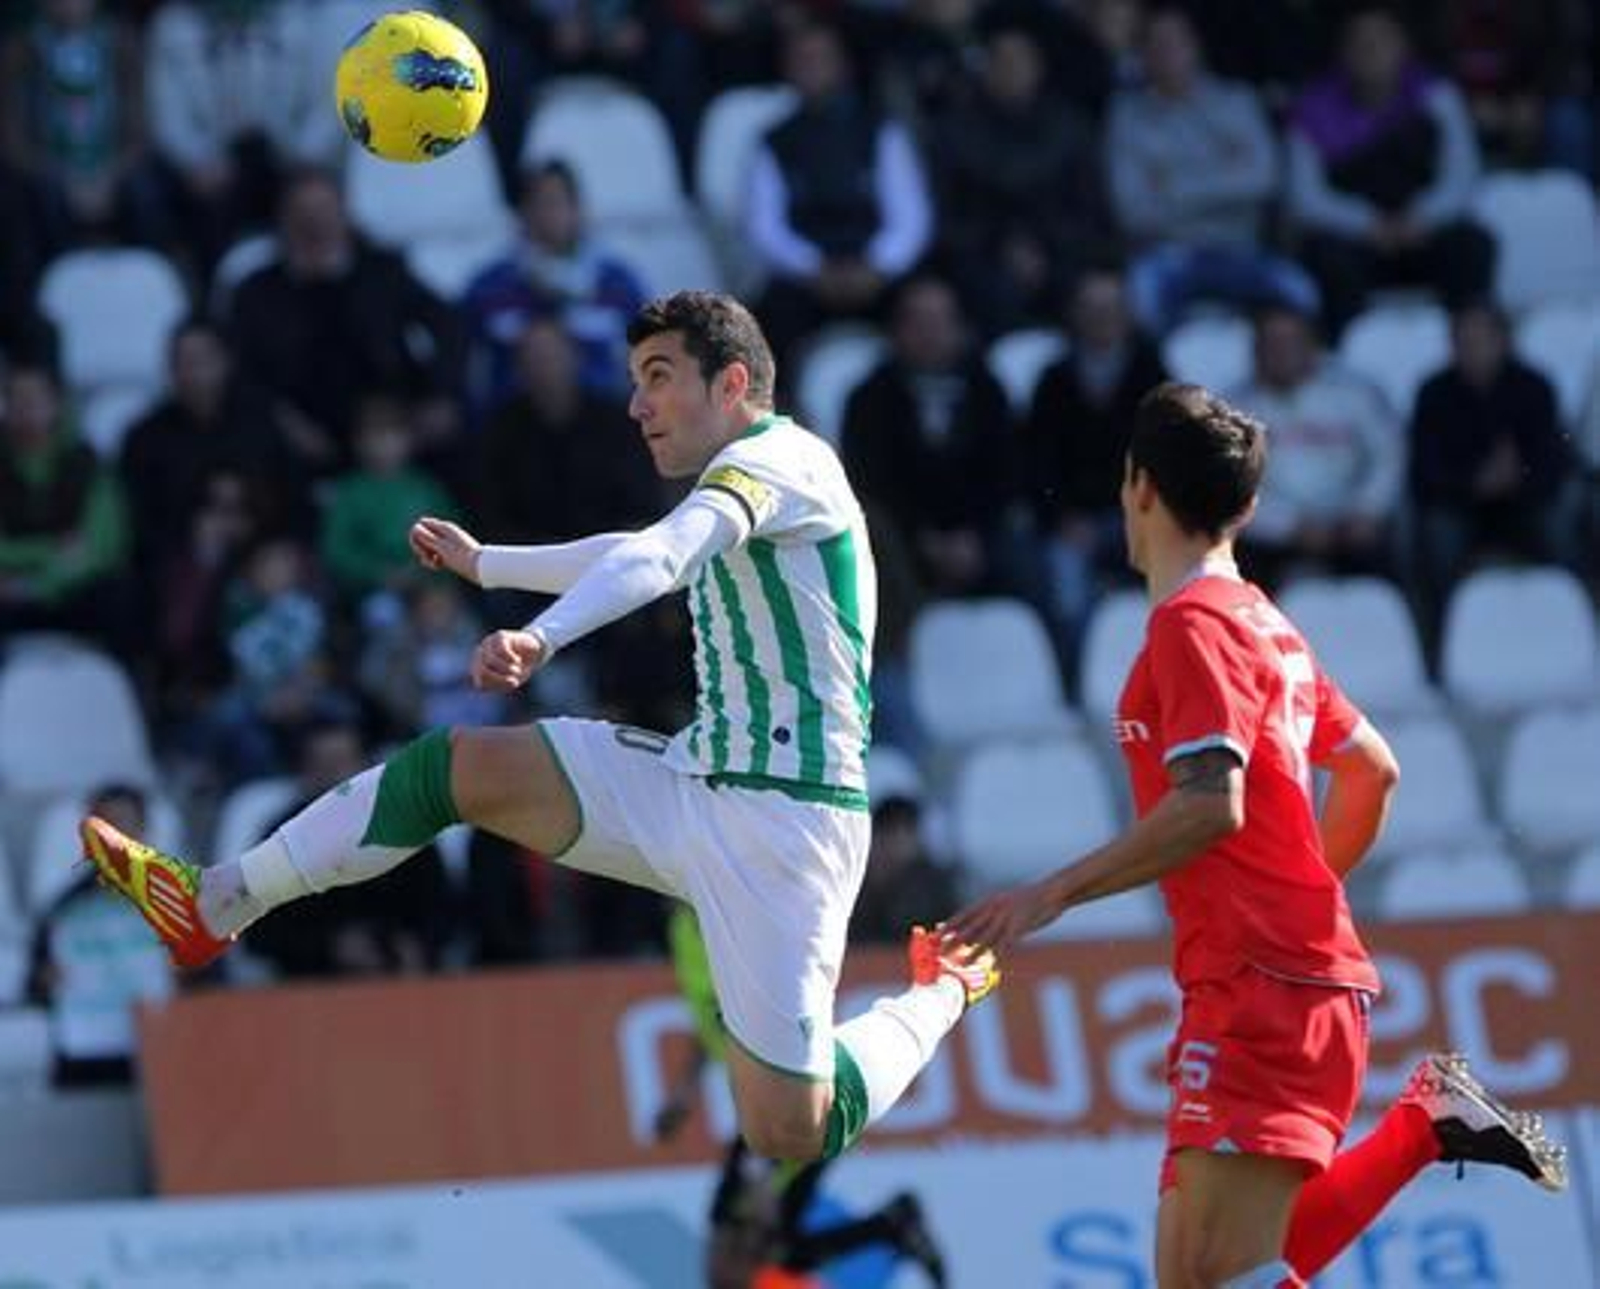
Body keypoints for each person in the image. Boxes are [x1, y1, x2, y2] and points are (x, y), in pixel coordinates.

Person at [82, 290, 996, 1168]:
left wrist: (542, 635)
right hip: (692, 781)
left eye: (658, 377)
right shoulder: (733, 487)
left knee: (789, 1128)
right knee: (458, 767)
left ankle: (944, 988)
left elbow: (660, 555)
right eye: (634, 381)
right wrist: (490, 565)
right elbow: (640, 549)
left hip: (788, 829)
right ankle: (214, 905)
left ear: (731, 384)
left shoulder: (787, 462)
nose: (637, 406)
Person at [946, 382, 1566, 1287]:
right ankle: (1424, 1125)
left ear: (1139, 485)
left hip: (1261, 986)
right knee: (1199, 1275)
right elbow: (1372, 770)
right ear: (1245, 508)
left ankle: (1424, 1126)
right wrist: (1301, 896)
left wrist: (1050, 894)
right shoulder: (1264, 622)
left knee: (1207, 1276)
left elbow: (1212, 803)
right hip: (1267, 973)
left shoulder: (1192, 626)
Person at [658, 905, 947, 1289]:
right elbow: (708, 1016)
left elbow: (785, 997)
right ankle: (892, 1225)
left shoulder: (741, 918)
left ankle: (892, 1224)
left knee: (737, 1259)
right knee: (760, 1254)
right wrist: (684, 1092)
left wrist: (764, 1180)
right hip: (765, 1099)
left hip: (791, 1097)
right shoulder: (682, 929)